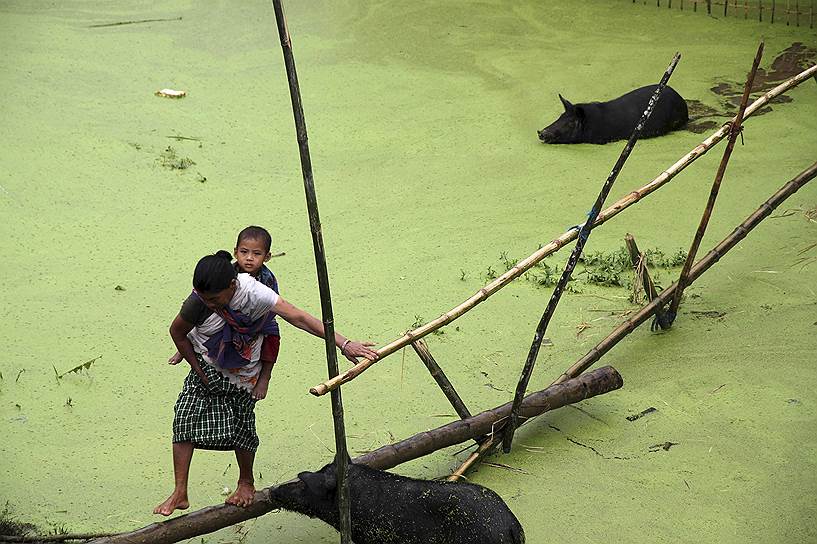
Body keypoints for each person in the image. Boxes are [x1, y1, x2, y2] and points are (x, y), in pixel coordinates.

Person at [154, 251, 378, 516]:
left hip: (244, 369)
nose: (209, 304)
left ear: (232, 285)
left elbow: (299, 317)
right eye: (204, 299)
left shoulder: (254, 293)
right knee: (184, 418)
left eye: (214, 299)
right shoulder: (198, 301)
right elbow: (177, 332)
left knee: (242, 427)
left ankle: (245, 482)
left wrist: (343, 343)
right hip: (207, 361)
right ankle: (180, 491)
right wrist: (197, 369)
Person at [168, 226, 281, 401]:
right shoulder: (227, 271)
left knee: (273, 336)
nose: (249, 258)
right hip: (223, 312)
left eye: (256, 254)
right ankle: (183, 349)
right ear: (236, 252)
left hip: (253, 320)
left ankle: (265, 377)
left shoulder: (267, 280)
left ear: (267, 257)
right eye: (244, 252)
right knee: (199, 317)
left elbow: (271, 307)